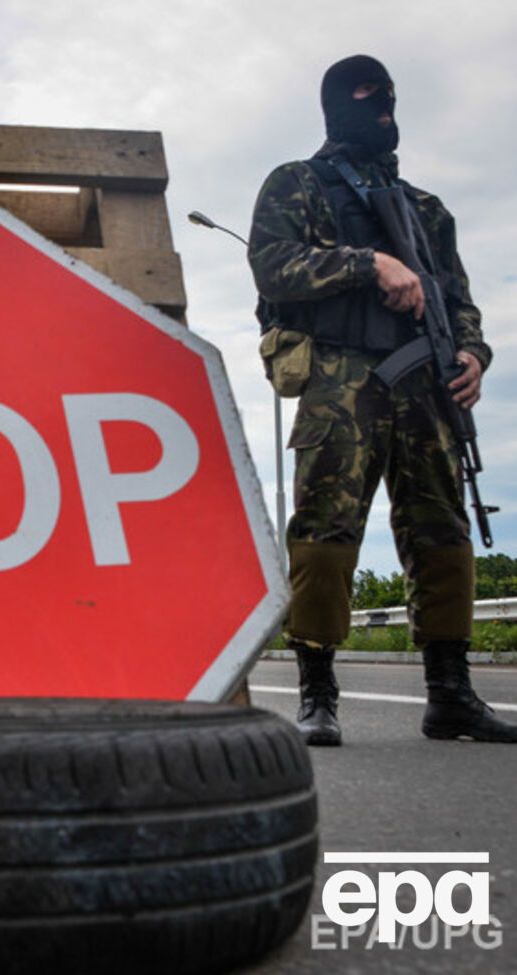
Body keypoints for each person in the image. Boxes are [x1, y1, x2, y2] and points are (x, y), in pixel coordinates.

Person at [247, 54, 514, 746]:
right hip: (339, 375)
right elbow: (273, 264)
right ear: (338, 104)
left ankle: (450, 692)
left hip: (426, 382)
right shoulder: (296, 184)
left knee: (443, 529)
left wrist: (473, 354)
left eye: (393, 99)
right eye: (370, 98)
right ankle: (318, 691)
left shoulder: (426, 209)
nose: (386, 112)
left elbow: (459, 299)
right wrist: (369, 264)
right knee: (327, 526)